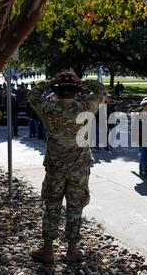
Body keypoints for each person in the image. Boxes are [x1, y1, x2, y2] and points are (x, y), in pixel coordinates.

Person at [28, 70, 107, 263]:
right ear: (76, 91)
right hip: (78, 170)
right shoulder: (86, 107)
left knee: (52, 206)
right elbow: (101, 91)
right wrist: (82, 83)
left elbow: (32, 96)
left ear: (57, 91)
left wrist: (50, 82)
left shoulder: (49, 109)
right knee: (75, 208)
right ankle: (72, 250)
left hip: (55, 168)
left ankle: (47, 250)